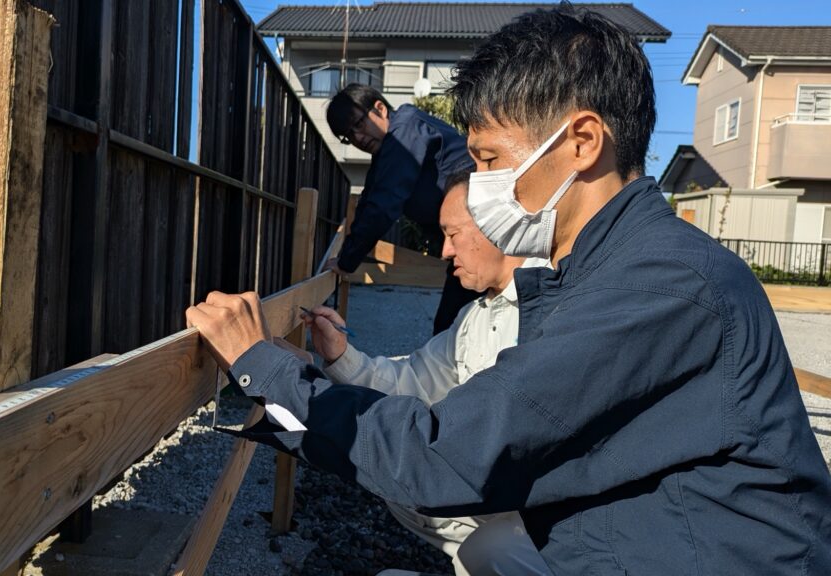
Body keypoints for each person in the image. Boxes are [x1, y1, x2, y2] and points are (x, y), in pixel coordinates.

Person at [186, 4, 831, 574]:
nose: (480, 185)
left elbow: (448, 453)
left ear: (581, 142)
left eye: (491, 161)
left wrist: (262, 365)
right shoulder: (600, 273)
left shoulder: (659, 286)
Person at [302, 172, 551, 575]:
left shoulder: (557, 308)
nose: (444, 251)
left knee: (491, 544)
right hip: (502, 522)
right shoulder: (475, 317)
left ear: (497, 224)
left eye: (453, 234)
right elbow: (413, 381)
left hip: (556, 536)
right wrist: (340, 356)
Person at [325, 85, 479, 335]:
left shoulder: (405, 130)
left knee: (452, 329)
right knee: (456, 328)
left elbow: (383, 204)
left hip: (480, 232)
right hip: (466, 239)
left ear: (380, 108)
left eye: (359, 124)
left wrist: (347, 261)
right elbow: (369, 200)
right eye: (348, 136)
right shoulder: (389, 148)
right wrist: (345, 257)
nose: (358, 139)